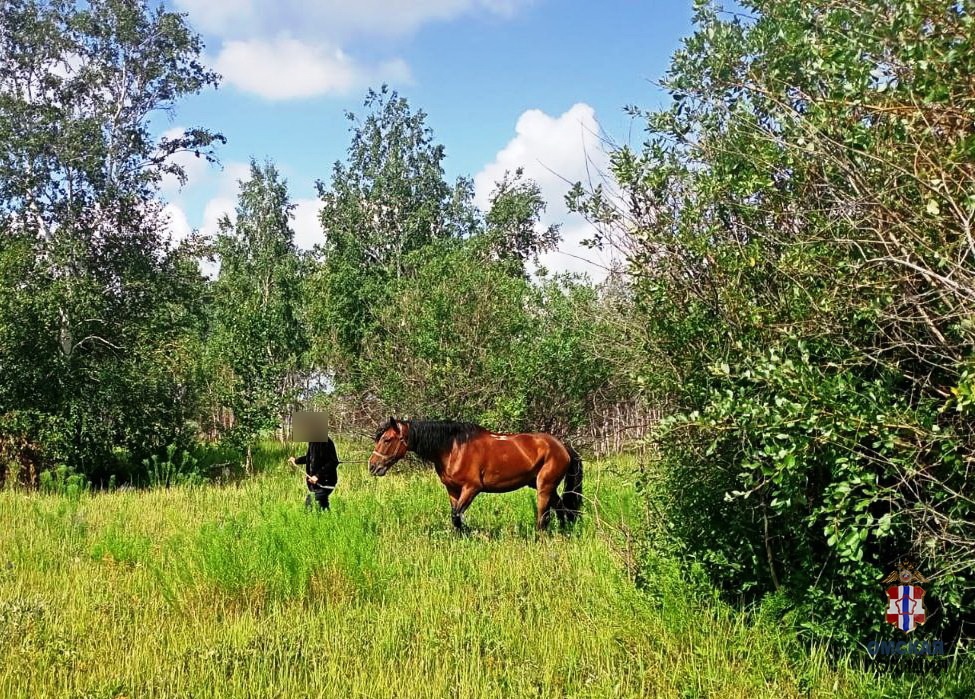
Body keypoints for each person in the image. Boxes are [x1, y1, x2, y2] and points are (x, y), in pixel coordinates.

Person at [289, 439, 339, 510]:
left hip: (326, 482)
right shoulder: (313, 442)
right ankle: (329, 518)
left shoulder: (326, 442)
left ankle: (306, 519)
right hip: (316, 483)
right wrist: (296, 460)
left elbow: (333, 462)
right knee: (323, 506)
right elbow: (310, 458)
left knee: (310, 501)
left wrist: (317, 476)